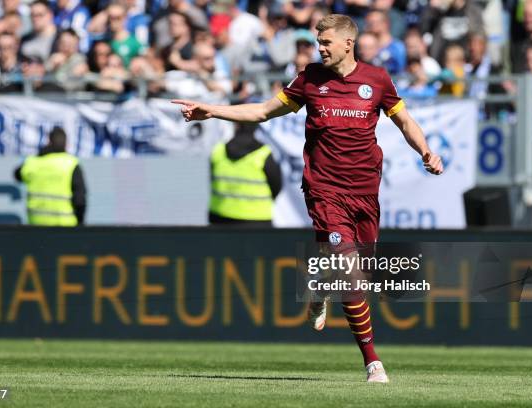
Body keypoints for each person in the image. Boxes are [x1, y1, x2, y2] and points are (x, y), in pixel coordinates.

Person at [172, 14, 443, 383]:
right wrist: (213, 110)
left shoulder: (377, 80)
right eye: (319, 42)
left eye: (327, 42)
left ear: (349, 43)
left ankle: (319, 283)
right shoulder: (310, 80)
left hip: (365, 191)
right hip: (324, 189)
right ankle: (373, 362)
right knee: (350, 276)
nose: (320, 48)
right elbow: (264, 111)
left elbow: (405, 122)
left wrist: (426, 151)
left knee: (358, 275)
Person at [209, 122, 282, 227]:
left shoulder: (218, 150)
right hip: (258, 222)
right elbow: (277, 186)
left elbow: (212, 180)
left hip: (220, 219)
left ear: (236, 125)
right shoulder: (264, 154)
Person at [14, 127, 86, 226]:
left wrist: (41, 153)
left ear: (48, 141)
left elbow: (17, 174)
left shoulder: (33, 163)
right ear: (66, 144)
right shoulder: (71, 164)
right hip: (66, 228)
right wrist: (80, 223)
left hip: (36, 227)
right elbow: (80, 201)